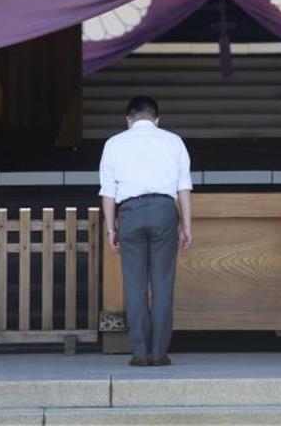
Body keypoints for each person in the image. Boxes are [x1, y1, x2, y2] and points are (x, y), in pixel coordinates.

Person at [99, 96, 193, 366]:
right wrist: (186, 225)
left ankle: (140, 353)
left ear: (129, 120)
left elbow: (108, 193)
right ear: (157, 119)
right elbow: (183, 188)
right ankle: (160, 352)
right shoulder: (173, 141)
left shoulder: (114, 143)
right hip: (164, 211)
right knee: (162, 285)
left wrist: (110, 228)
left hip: (129, 213)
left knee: (135, 285)